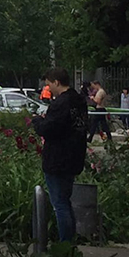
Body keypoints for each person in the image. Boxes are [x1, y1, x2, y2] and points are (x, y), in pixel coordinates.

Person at [31, 68, 88, 243]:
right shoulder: (79, 101)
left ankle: (65, 243)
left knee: (60, 204)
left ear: (56, 82)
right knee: (65, 200)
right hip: (75, 155)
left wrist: (37, 120)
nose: (48, 87)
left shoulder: (60, 104)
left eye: (49, 84)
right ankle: (69, 242)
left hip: (57, 158)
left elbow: (48, 129)